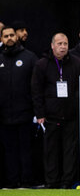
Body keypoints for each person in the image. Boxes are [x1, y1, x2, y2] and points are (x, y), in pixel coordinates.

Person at [31, 33, 80, 189]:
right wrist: (40, 114)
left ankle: (67, 183)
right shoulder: (41, 64)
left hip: (71, 116)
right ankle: (51, 182)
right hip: (50, 117)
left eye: (65, 44)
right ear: (52, 45)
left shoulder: (77, 63)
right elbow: (36, 90)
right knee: (51, 152)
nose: (63, 47)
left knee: (70, 151)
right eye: (59, 43)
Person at [0, 26, 38, 188]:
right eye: (5, 36)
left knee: (26, 150)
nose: (9, 38)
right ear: (1, 39)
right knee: (9, 152)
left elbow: (36, 87)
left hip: (25, 114)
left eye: (11, 35)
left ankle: (27, 182)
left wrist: (36, 110)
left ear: (16, 37)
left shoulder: (29, 58)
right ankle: (12, 182)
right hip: (3, 116)